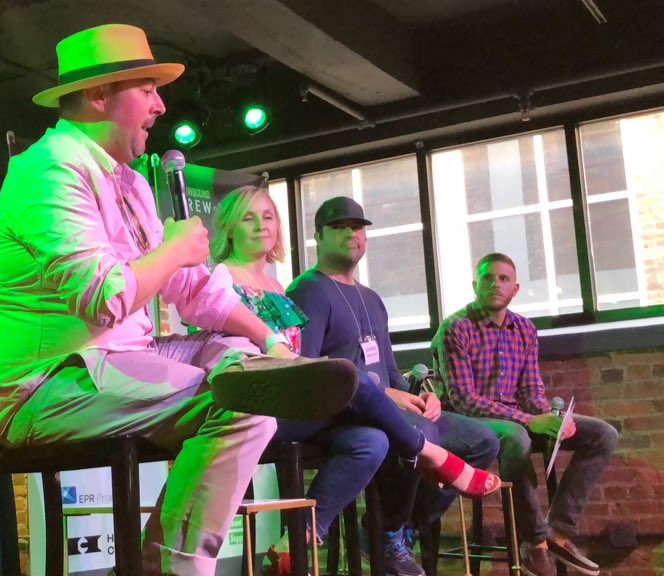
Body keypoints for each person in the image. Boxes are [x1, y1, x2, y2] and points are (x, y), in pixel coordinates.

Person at [0, 24, 356, 575]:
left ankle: (274, 371)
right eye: (147, 88)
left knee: (240, 364)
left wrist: (267, 337)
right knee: (241, 401)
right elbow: (102, 299)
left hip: (118, 361)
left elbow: (195, 290)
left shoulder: (129, 181)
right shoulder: (48, 173)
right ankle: (172, 569)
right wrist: (174, 250)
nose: (160, 102)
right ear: (100, 96)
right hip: (41, 385)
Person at [212, 187, 501, 572]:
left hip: (304, 403)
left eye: (268, 217)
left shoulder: (276, 286)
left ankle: (300, 537)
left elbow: (308, 362)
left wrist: (414, 394)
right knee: (356, 381)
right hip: (259, 401)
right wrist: (371, 389)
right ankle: (433, 459)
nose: (261, 226)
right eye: (248, 217)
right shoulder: (225, 277)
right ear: (230, 227)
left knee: (373, 439)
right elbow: (298, 363)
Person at [433, 253, 618, 576]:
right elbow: (464, 400)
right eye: (488, 278)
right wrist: (533, 421)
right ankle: (535, 543)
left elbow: (530, 392)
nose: (495, 284)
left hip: (515, 416)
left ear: (515, 288)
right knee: (516, 437)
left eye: (503, 279)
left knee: (603, 434)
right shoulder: (455, 328)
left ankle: (558, 532)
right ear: (476, 284)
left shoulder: (525, 330)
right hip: (469, 422)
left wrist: (551, 417)